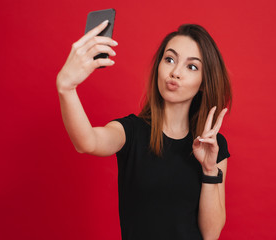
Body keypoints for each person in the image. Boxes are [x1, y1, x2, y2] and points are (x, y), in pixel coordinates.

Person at [56, 20, 232, 240]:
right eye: (169, 60)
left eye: (192, 66)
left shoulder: (213, 146)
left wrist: (209, 170)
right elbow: (87, 142)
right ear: (159, 66)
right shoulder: (130, 132)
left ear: (204, 83)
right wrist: (67, 87)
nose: (175, 72)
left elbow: (211, 234)